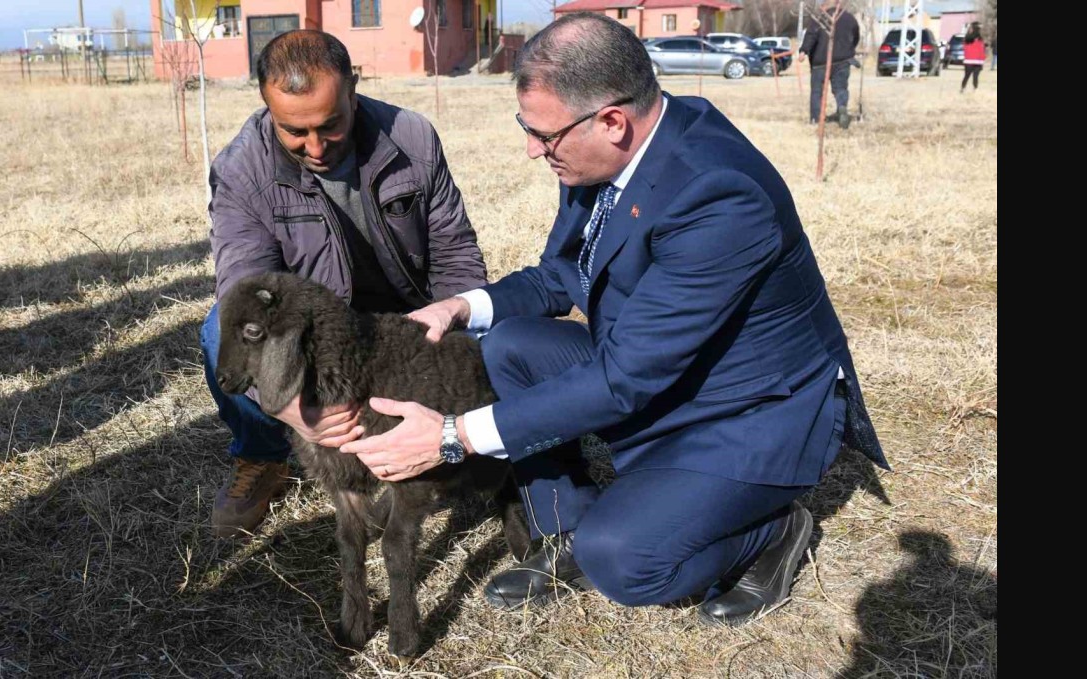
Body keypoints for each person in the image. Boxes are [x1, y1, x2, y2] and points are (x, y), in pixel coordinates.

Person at [339, 11, 889, 627]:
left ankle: (771, 530)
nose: (532, 148)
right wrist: (464, 305)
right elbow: (562, 273)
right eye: (528, 128)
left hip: (747, 409)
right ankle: (563, 531)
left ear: (612, 120)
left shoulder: (718, 195)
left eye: (541, 135)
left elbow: (625, 378)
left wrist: (452, 435)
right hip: (661, 369)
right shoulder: (600, 155)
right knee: (511, 343)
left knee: (625, 561)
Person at [201, 30, 487, 538]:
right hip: (319, 326)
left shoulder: (412, 139)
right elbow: (246, 285)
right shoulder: (242, 168)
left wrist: (457, 321)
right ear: (267, 107)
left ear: (352, 89)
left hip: (407, 311)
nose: (315, 146)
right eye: (294, 131)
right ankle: (264, 455)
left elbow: (454, 251)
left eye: (330, 125)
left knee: (493, 331)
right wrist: (285, 403)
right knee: (215, 331)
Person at [800, 0, 860, 129]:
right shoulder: (849, 18)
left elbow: (811, 35)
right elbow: (856, 36)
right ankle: (842, 107)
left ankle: (816, 118)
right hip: (843, 59)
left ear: (825, 4)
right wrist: (850, 50)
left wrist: (804, 50)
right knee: (840, 88)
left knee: (817, 91)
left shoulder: (819, 19)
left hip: (820, 61)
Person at [962, 23, 986, 92]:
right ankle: (974, 89)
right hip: (977, 60)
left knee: (967, 75)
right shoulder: (978, 39)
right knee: (974, 76)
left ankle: (964, 88)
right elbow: (981, 49)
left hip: (971, 60)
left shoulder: (968, 38)